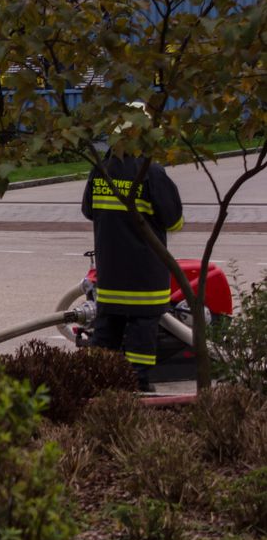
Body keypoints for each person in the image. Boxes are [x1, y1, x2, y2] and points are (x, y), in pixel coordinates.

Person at [81, 150, 184, 392]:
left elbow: (88, 211)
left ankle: (94, 382)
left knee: (107, 329)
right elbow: (173, 220)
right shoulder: (152, 172)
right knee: (143, 329)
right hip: (145, 273)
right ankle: (137, 384)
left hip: (110, 271)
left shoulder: (100, 170)